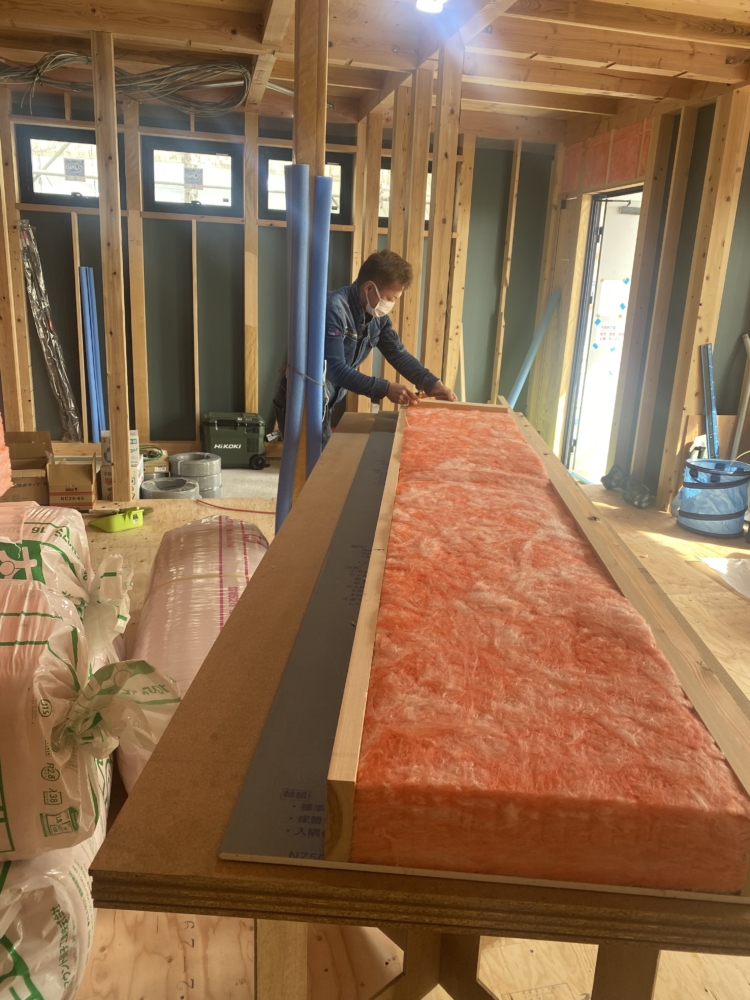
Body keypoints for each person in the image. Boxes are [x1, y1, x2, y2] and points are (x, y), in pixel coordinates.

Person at [274, 249, 457, 443]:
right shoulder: (333, 309)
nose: (390, 305)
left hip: (324, 401)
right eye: (389, 299)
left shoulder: (377, 319)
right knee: (308, 461)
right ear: (369, 288)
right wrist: (385, 388)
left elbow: (399, 355)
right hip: (301, 402)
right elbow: (335, 369)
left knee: (320, 459)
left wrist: (433, 384)